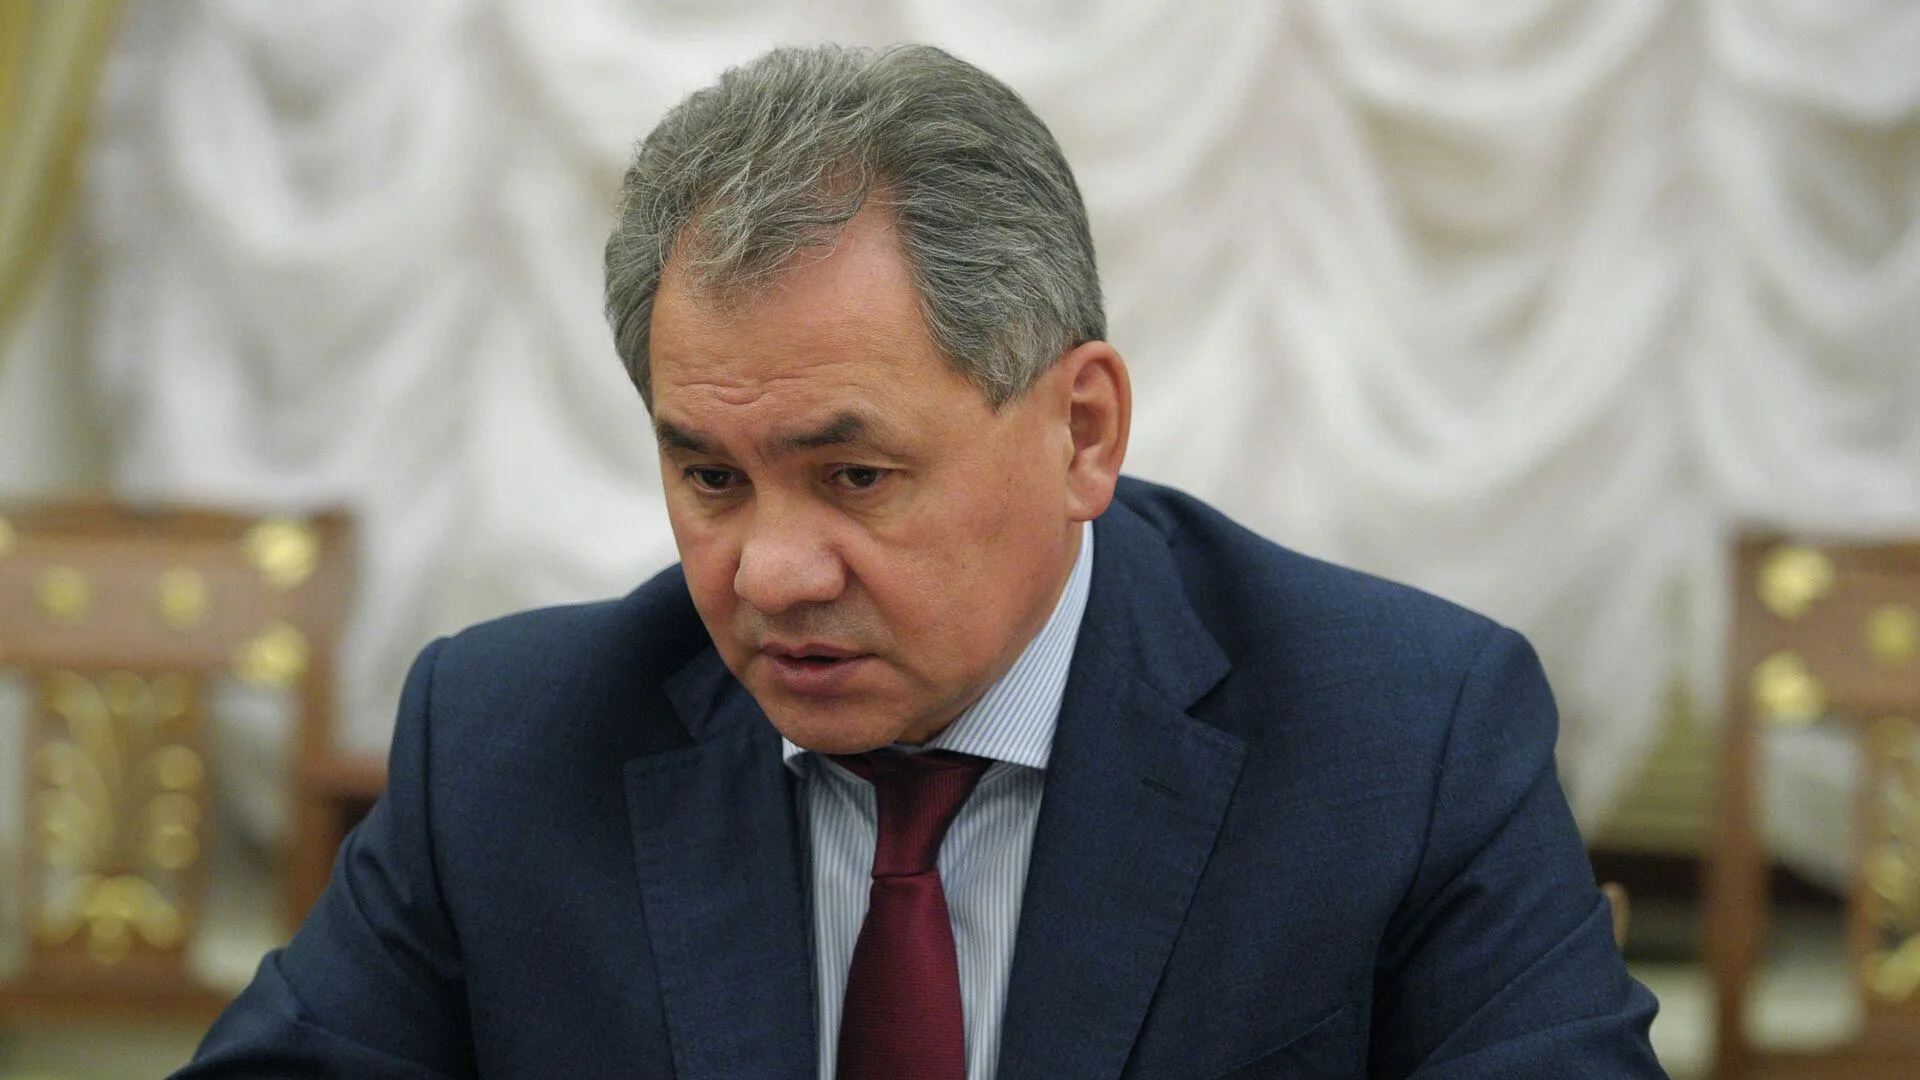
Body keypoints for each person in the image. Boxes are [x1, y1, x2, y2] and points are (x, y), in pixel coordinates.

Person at [176, 43, 1665, 1079]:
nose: (770, 575)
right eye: (710, 477)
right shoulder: (508, 747)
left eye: (856, 477)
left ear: (1082, 431)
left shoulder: (1405, 740)